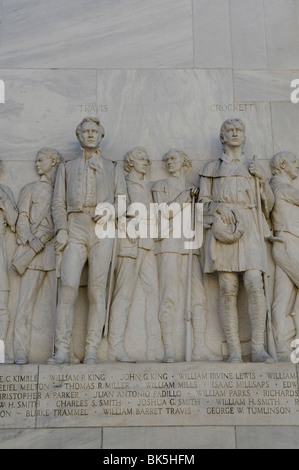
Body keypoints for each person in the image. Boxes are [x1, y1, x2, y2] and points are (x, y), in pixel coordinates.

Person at [47, 117, 127, 365]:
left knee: (97, 289)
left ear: (101, 135)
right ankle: (61, 349)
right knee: (68, 287)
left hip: (102, 228)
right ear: (79, 136)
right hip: (75, 226)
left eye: (95, 131)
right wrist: (61, 228)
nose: (90, 134)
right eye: (86, 131)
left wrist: (109, 211)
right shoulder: (66, 167)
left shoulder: (113, 167)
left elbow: (122, 202)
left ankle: (91, 348)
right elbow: (58, 203)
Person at [199, 118, 275, 363]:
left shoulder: (253, 167)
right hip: (224, 227)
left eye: (238, 130)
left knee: (254, 280)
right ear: (223, 137)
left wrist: (262, 180)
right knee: (227, 287)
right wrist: (218, 207)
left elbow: (268, 206)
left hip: (250, 223)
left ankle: (258, 347)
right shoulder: (212, 168)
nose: (234, 133)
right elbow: (201, 204)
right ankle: (233, 349)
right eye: (229, 130)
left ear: (244, 136)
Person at [152, 148, 220, 363]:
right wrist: (184, 196)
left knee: (198, 298)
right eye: (166, 159)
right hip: (170, 245)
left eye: (173, 158)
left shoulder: (197, 190)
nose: (168, 162)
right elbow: (165, 212)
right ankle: (169, 349)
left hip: (192, 246)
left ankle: (199, 347)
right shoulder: (160, 186)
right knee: (169, 297)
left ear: (184, 162)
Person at [108, 147, 161, 362]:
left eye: (147, 158)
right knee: (124, 294)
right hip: (129, 243)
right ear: (130, 162)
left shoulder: (147, 186)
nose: (146, 161)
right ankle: (115, 347)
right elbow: (117, 209)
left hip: (147, 243)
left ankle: (153, 348)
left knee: (153, 293)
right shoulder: (124, 184)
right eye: (141, 158)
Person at [13, 148, 61, 364]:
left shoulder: (62, 192)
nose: (37, 164)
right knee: (25, 305)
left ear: (53, 161)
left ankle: (56, 351)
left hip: (54, 253)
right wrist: (32, 241)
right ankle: (21, 350)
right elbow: (21, 219)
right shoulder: (31, 189)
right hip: (34, 254)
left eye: (41, 160)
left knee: (55, 307)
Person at [270, 151, 299, 361]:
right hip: (288, 242)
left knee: (281, 296)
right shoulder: (282, 188)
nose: (296, 165)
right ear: (281, 165)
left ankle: (279, 343)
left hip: (287, 243)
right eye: (293, 161)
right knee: (281, 297)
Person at [0, 164, 18, 361]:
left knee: (2, 306)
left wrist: (4, 202)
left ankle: (0, 352)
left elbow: (14, 222)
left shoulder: (4, 192)